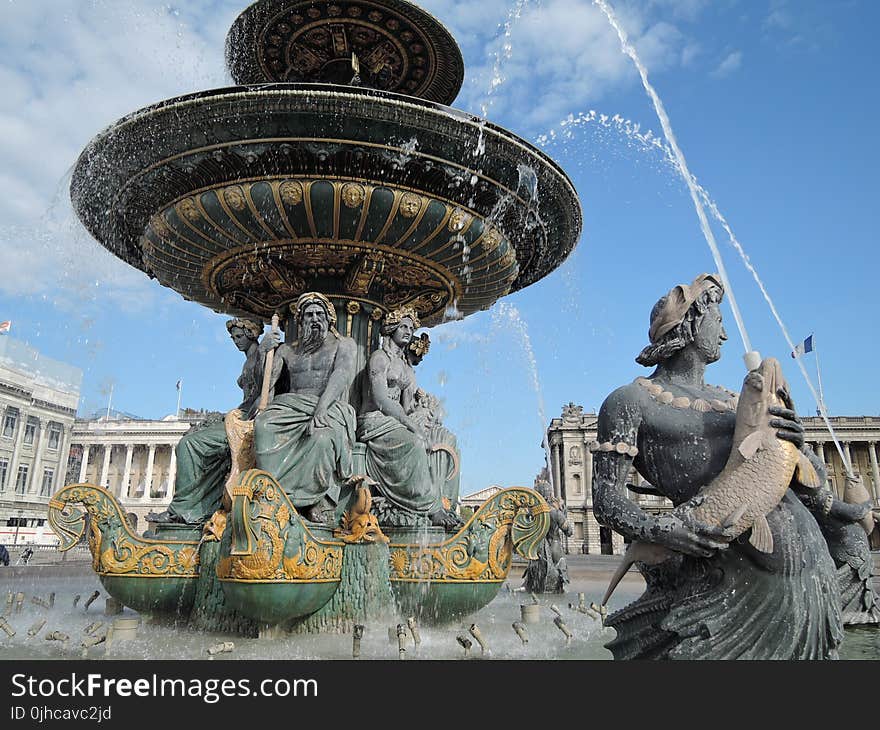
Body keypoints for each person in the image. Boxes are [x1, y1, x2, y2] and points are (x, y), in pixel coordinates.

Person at [592, 273, 843, 659]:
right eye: (719, 321)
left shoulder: (735, 399)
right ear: (691, 322)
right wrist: (663, 529)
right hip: (729, 588)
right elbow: (606, 498)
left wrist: (800, 446)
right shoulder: (630, 401)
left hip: (813, 578)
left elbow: (811, 487)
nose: (725, 334)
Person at [149, 317, 266, 525]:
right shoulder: (251, 359)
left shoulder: (263, 356)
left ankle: (183, 509)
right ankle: (194, 507)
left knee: (189, 445)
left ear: (251, 335)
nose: (236, 341)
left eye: (239, 337)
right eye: (233, 338)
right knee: (192, 436)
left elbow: (265, 394)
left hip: (248, 421)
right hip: (239, 416)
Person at [254, 292, 358, 524]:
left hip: (328, 405)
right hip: (292, 405)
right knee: (263, 426)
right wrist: (263, 353)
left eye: (319, 314)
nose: (314, 319)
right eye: (308, 314)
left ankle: (316, 500)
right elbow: (266, 383)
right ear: (300, 321)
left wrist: (321, 409)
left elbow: (342, 375)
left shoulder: (344, 345)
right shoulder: (286, 350)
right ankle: (272, 493)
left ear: (330, 319)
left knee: (322, 437)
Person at [358, 308, 460, 529]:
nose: (408, 331)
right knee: (415, 442)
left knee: (443, 439)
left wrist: (425, 416)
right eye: (404, 327)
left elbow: (406, 407)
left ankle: (444, 502)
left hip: (394, 421)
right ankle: (429, 508)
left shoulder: (406, 368)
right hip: (374, 420)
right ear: (392, 328)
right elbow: (380, 399)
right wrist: (410, 424)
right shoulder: (379, 358)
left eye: (411, 328)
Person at [406, 333, 462, 511]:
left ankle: (445, 498)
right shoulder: (394, 366)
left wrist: (427, 402)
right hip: (401, 422)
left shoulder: (408, 372)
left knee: (449, 439)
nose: (417, 363)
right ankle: (434, 499)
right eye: (416, 358)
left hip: (411, 419)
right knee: (441, 440)